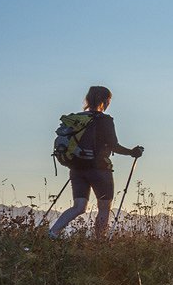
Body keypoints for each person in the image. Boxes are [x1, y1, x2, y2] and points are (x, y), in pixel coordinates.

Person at [48, 85, 144, 238]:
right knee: (104, 207)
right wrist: (133, 152)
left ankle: (53, 232)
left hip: (77, 168)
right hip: (100, 169)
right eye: (109, 100)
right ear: (105, 101)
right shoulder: (105, 120)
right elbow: (114, 146)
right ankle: (99, 241)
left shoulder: (77, 119)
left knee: (78, 206)